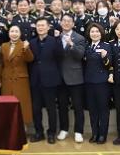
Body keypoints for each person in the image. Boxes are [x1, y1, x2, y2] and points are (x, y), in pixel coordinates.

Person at [28, 18, 63, 144]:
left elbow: (60, 57)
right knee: (36, 109)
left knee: (51, 108)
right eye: (38, 25)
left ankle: (51, 133)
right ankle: (39, 132)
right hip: (35, 80)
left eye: (43, 25)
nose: (40, 28)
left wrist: (59, 39)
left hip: (50, 80)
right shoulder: (31, 42)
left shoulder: (55, 41)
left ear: (48, 27)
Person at [0, 25, 34, 130]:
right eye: (12, 31)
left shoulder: (24, 44)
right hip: (6, 79)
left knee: (22, 104)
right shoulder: (4, 46)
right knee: (7, 104)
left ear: (20, 33)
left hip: (20, 80)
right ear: (9, 33)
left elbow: (30, 59)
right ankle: (8, 128)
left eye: (16, 31)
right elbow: (0, 63)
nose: (14, 33)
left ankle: (23, 128)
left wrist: (26, 49)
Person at [56, 13, 86, 144]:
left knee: (78, 106)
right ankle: (64, 129)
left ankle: (79, 132)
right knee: (62, 106)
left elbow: (80, 56)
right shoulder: (56, 37)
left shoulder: (79, 38)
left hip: (75, 77)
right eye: (64, 20)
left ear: (73, 24)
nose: (66, 23)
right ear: (60, 22)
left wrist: (71, 44)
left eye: (69, 21)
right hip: (60, 78)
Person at [84, 23, 112, 144]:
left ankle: (102, 135)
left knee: (103, 109)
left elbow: (109, 64)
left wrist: (105, 57)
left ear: (101, 33)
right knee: (92, 110)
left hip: (102, 82)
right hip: (89, 82)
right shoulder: (87, 46)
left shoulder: (106, 46)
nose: (94, 34)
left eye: (97, 31)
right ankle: (95, 133)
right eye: (92, 31)